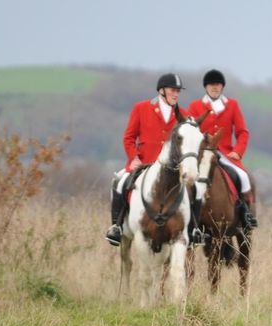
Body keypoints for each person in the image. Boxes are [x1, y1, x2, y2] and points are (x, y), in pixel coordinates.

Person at [106, 73, 186, 246]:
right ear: (162, 91)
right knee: (119, 182)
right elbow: (129, 137)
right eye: (173, 90)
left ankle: (194, 230)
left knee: (193, 190)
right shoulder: (141, 108)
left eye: (178, 91)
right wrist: (133, 158)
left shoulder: (182, 114)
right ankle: (116, 226)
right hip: (143, 163)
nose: (176, 94)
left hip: (170, 169)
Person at [185, 69, 258, 238]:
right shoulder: (195, 106)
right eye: (211, 85)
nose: (214, 87)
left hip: (226, 154)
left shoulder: (232, 105)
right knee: (187, 182)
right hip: (202, 155)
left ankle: (246, 213)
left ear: (222, 87)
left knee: (244, 177)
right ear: (206, 87)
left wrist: (237, 153)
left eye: (217, 85)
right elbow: (190, 131)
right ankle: (187, 217)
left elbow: (242, 132)